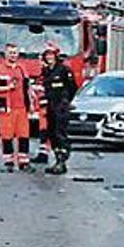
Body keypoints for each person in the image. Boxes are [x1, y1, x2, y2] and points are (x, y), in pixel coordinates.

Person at [0, 43, 32, 173]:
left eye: (15, 52)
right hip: (6, 108)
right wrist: (7, 88)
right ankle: (9, 161)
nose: (13, 55)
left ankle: (23, 162)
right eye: (10, 52)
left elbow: (27, 87)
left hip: (22, 108)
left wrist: (31, 102)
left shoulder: (22, 69)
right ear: (5, 54)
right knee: (7, 135)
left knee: (24, 135)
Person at [41, 44, 78, 175]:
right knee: (51, 133)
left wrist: (65, 101)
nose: (49, 57)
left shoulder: (64, 70)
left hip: (60, 106)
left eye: (51, 55)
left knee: (60, 133)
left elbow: (73, 87)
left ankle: (62, 161)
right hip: (50, 106)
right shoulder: (46, 71)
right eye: (47, 55)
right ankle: (57, 160)